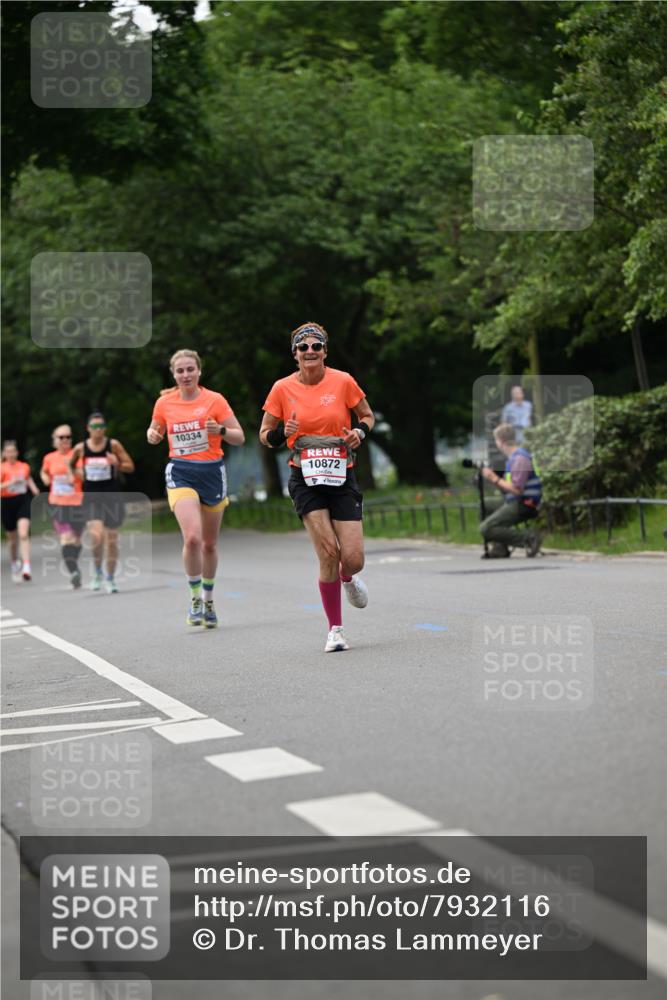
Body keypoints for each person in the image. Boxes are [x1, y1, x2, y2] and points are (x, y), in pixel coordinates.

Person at [260, 322, 375, 652]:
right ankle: (335, 629)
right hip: (304, 477)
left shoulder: (343, 381)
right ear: (294, 354)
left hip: (342, 475)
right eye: (303, 347)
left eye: (316, 346)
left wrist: (360, 433)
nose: (310, 352)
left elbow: (367, 416)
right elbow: (264, 435)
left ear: (325, 351)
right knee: (328, 552)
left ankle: (348, 578)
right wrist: (284, 433)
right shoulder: (282, 388)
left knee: (352, 557)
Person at [147, 349, 245, 628]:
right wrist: (153, 435)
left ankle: (209, 598)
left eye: (190, 369)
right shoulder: (164, 403)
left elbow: (239, 437)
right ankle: (194, 599)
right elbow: (153, 432)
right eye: (180, 371)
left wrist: (221, 432)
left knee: (210, 544)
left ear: (199, 371)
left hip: (212, 472)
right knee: (192, 538)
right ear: (173, 374)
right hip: (181, 472)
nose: (186, 375)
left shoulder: (215, 400)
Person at [69, 413, 135, 593]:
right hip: (91, 496)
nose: (97, 430)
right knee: (97, 536)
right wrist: (76, 474)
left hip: (111, 496)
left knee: (112, 540)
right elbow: (71, 464)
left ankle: (111, 578)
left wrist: (117, 464)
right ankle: (98, 572)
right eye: (94, 427)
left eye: (100, 427)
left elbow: (130, 465)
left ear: (104, 428)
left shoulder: (113, 445)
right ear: (88, 429)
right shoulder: (80, 448)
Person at [480, 423, 541, 558]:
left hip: (525, 503)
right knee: (485, 505)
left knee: (486, 529)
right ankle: (500, 547)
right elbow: (510, 485)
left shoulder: (520, 459)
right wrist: (494, 479)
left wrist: (493, 478)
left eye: (496, 440)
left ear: (501, 441)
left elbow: (517, 490)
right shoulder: (513, 458)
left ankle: (528, 538)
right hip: (515, 500)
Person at [40, 424, 85, 589]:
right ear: (55, 440)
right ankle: (74, 572)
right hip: (57, 503)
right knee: (66, 538)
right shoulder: (49, 458)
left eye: (68, 437)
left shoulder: (77, 455)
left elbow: (83, 476)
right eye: (61, 437)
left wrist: (70, 467)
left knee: (77, 540)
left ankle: (73, 565)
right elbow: (44, 471)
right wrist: (45, 477)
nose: (65, 440)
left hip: (77, 502)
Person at [1, 440, 40, 581]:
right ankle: (14, 561)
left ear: (17, 453)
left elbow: (28, 479)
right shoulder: (1, 468)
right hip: (7, 503)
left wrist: (35, 489)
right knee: (12, 539)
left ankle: (26, 566)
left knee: (23, 534)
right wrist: (9, 483)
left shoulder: (24, 466)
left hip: (23, 501)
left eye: (13, 451)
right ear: (4, 454)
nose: (11, 454)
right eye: (8, 451)